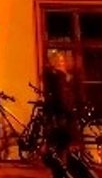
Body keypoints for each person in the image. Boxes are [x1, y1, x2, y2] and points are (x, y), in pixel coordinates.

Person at [40, 49, 93, 178]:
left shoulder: (57, 77)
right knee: (62, 150)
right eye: (60, 61)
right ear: (55, 63)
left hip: (60, 119)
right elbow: (63, 99)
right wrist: (71, 111)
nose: (63, 63)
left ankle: (61, 173)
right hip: (63, 120)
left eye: (63, 60)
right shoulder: (59, 78)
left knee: (61, 150)